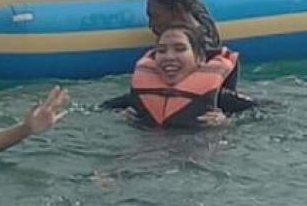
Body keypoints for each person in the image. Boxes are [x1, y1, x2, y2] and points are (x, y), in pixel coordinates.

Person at [102, 26, 255, 129]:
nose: (169, 57)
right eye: (161, 51)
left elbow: (264, 112)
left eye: (180, 49)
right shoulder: (139, 98)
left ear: (200, 59)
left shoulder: (219, 99)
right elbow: (99, 110)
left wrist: (227, 122)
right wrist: (121, 117)